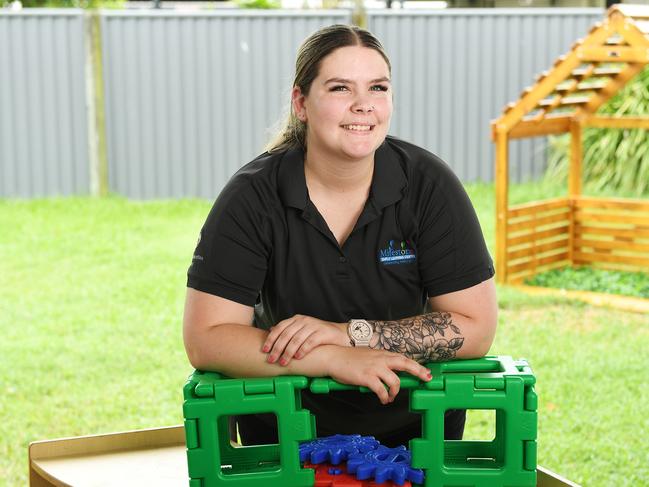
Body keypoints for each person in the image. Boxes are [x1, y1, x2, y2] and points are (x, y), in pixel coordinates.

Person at [183, 24, 497, 447]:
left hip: (413, 436)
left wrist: (347, 333)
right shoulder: (252, 196)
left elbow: (475, 328)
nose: (364, 106)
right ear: (301, 103)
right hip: (284, 432)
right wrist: (330, 357)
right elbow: (207, 337)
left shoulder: (429, 185)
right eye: (340, 89)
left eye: (378, 88)